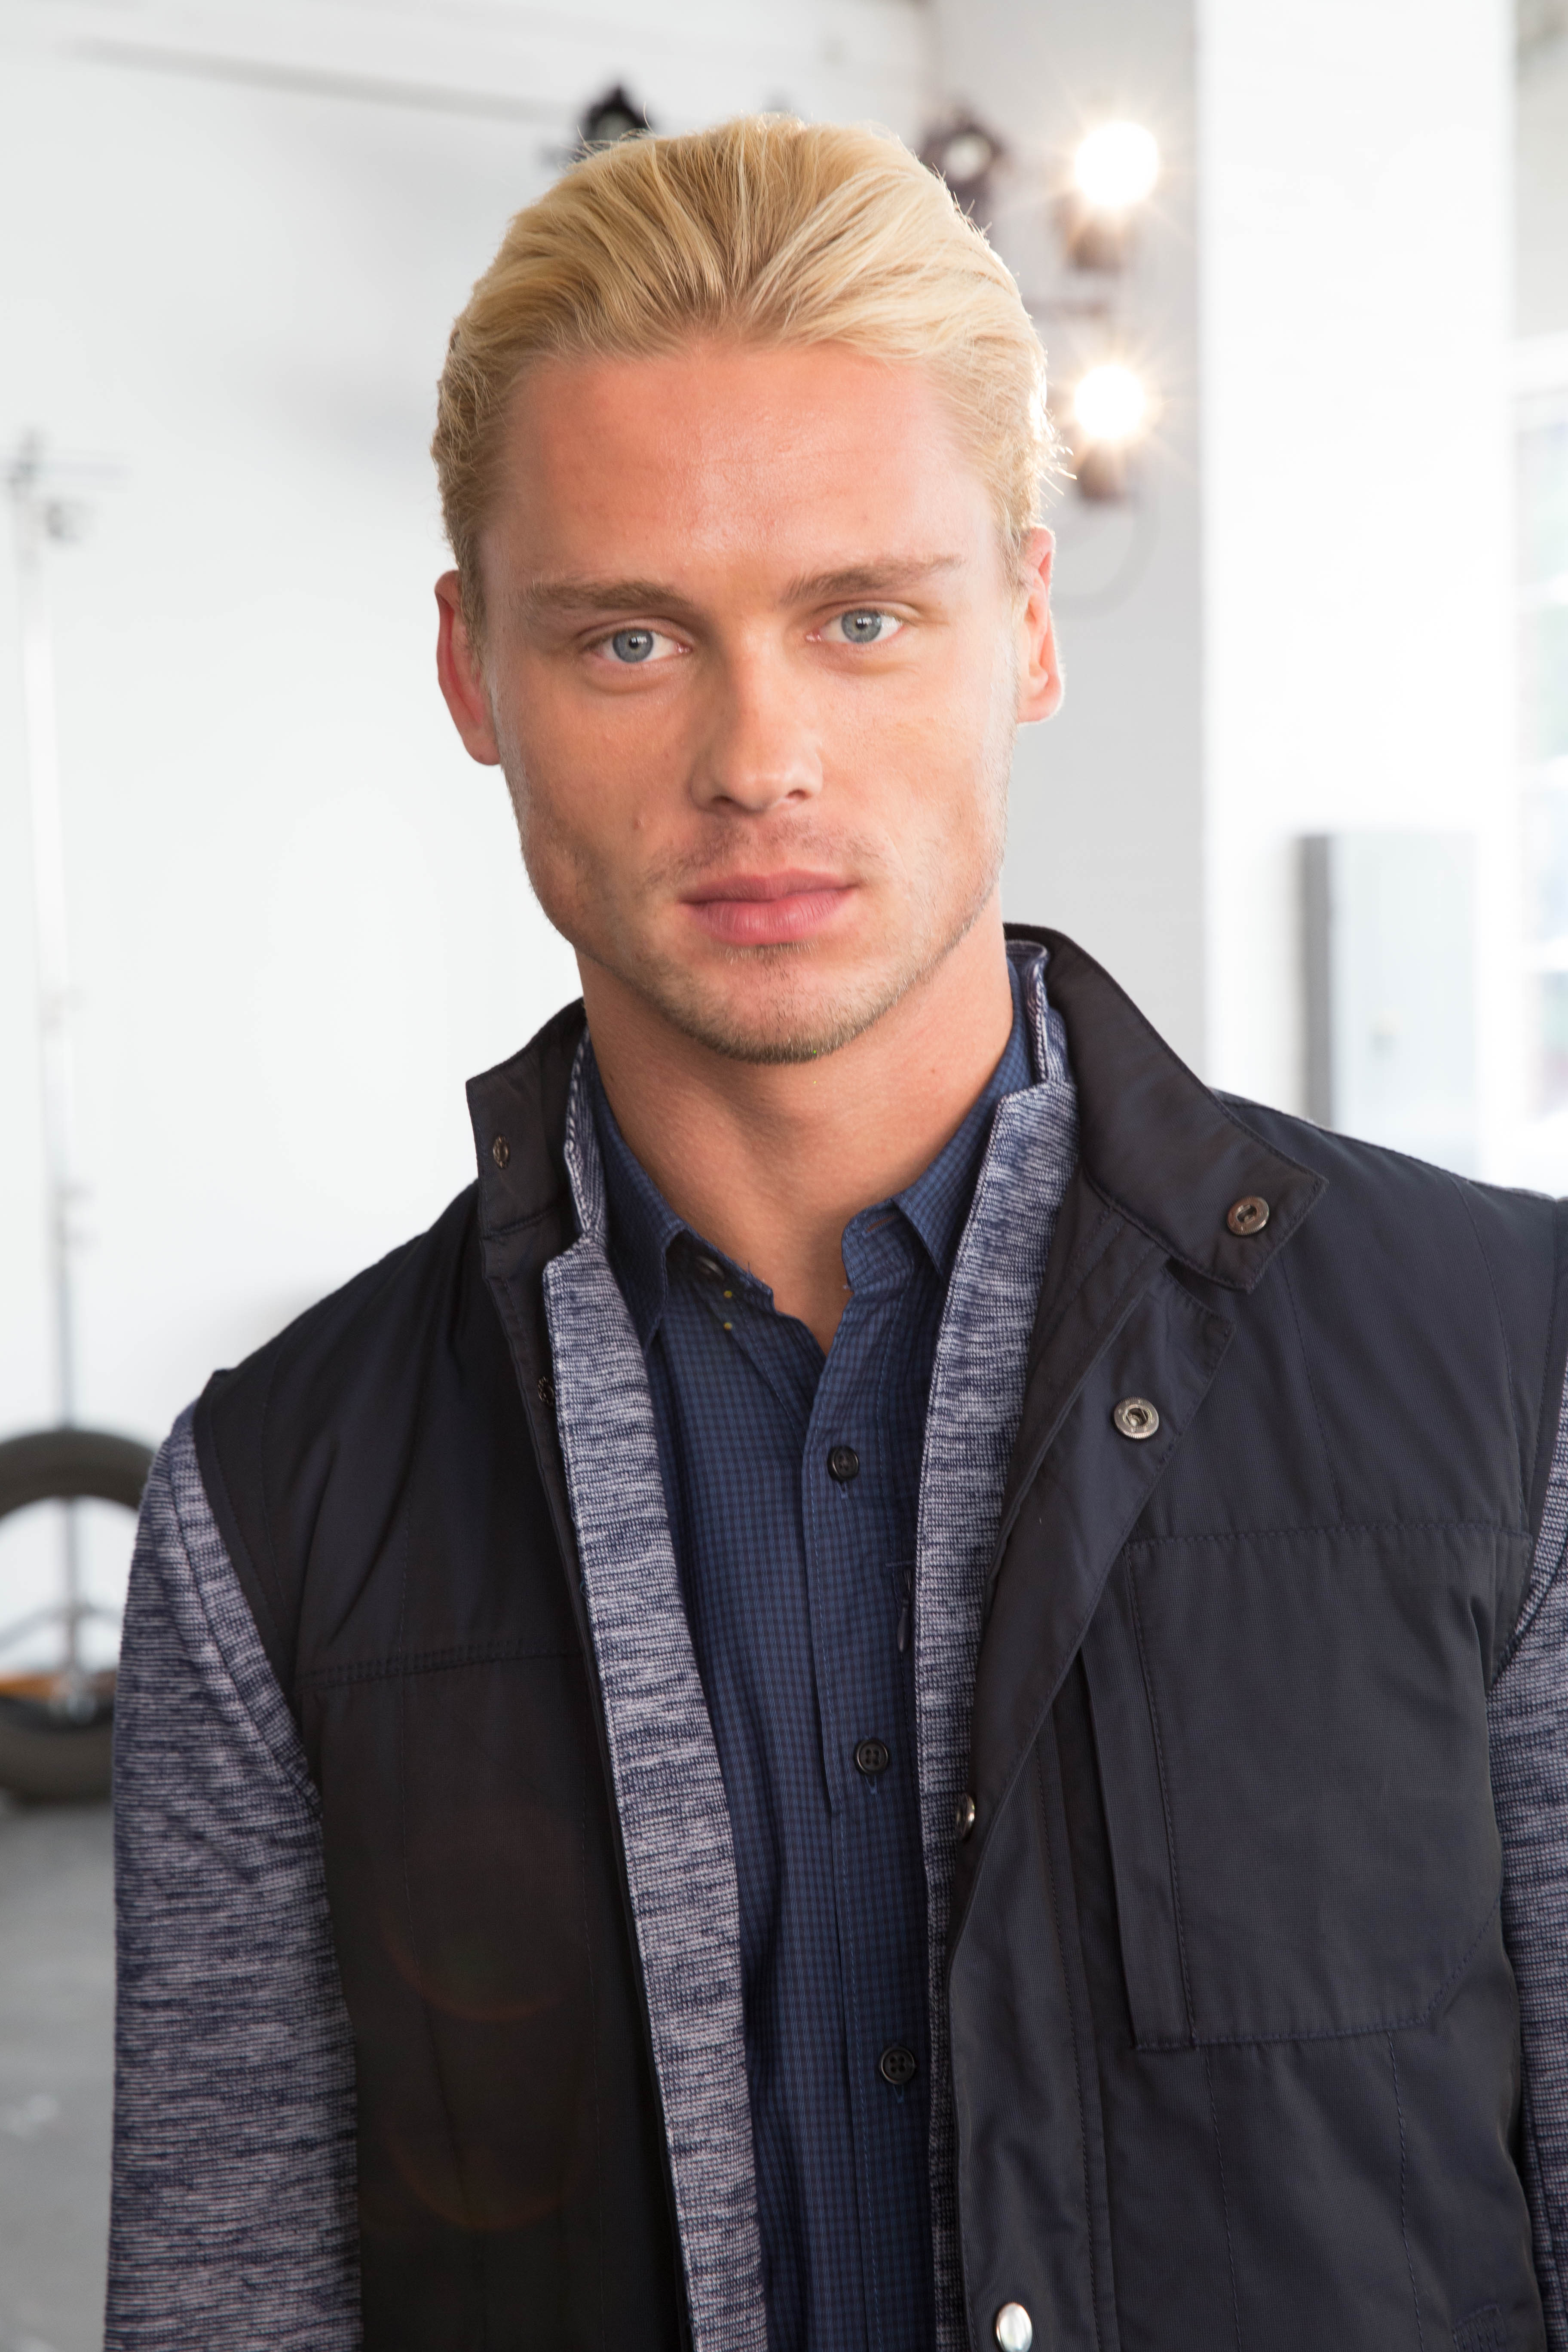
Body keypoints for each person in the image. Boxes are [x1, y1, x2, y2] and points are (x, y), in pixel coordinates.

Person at [106, 113, 1568, 2352]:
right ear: (473, 672)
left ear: (1028, 625)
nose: (759, 755)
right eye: (628, 639)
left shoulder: (1513, 1368)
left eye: (863, 616)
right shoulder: (272, 1514)